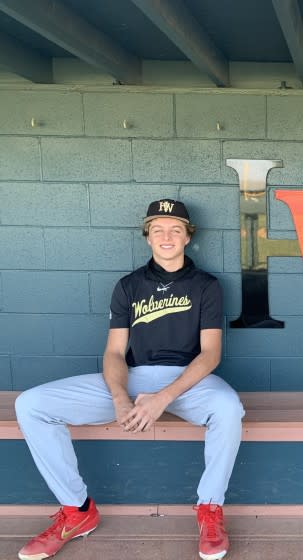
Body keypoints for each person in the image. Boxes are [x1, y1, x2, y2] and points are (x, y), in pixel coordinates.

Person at [15, 199, 245, 560]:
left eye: (175, 229)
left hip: (188, 384)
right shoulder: (128, 286)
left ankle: (210, 510)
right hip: (133, 379)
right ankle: (77, 510)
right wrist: (120, 397)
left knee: (229, 408)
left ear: (188, 237)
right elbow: (114, 353)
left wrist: (163, 398)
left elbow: (210, 354)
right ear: (147, 237)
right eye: (158, 229)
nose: (166, 236)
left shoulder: (206, 286)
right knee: (31, 404)